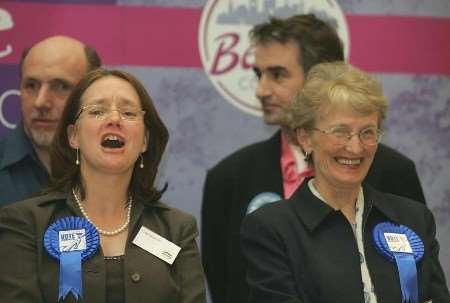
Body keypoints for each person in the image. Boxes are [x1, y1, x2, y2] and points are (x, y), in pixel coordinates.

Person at [201, 14, 426, 303]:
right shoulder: (229, 177)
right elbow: (225, 287)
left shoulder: (393, 172)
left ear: (320, 79)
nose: (261, 90)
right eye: (259, 75)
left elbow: (420, 281)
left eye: (278, 74)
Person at [240, 61, 449, 303]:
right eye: (341, 132)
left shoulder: (413, 219)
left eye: (367, 132)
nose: (356, 147)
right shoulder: (272, 228)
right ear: (306, 139)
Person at [0, 68, 206, 303]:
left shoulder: (177, 229)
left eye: (128, 113)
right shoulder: (25, 223)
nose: (115, 119)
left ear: (145, 141)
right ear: (73, 135)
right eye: (98, 111)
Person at [0, 35, 101, 206]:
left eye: (61, 86)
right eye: (31, 85)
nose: (41, 102)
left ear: (92, 95)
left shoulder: (113, 171)